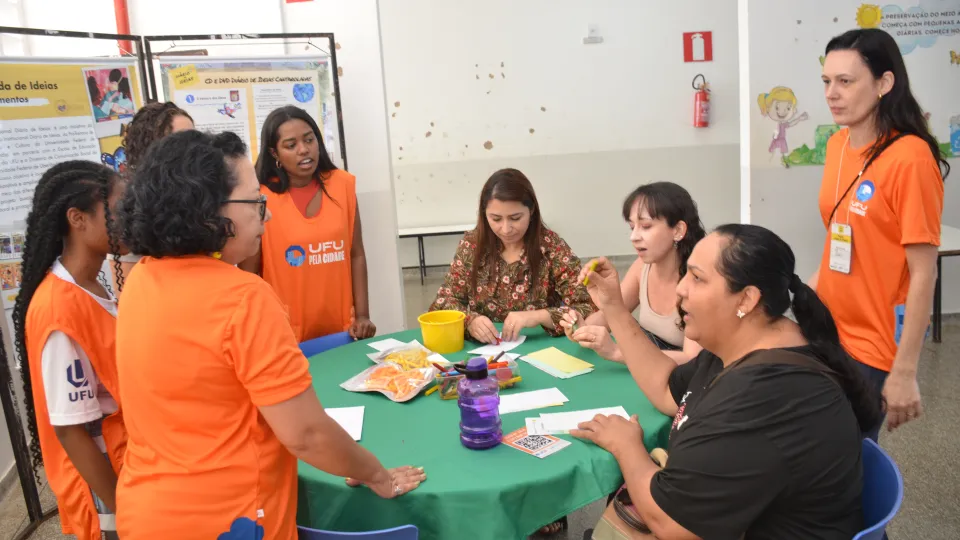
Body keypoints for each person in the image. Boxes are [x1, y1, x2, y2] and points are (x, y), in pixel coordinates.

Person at [112, 130, 424, 538]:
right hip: (230, 518)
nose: (268, 215)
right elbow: (307, 434)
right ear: (209, 213)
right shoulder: (242, 297)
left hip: (148, 513)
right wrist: (375, 474)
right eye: (255, 202)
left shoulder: (141, 279)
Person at [572, 224, 882, 539]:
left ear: (746, 299)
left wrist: (627, 447)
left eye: (697, 278)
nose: (680, 288)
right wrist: (613, 307)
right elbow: (667, 388)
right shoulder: (741, 345)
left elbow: (672, 523)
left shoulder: (769, 395)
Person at [814, 28, 948, 440]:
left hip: (872, 347)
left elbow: (924, 274)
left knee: (847, 458)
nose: (832, 93)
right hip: (829, 328)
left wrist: (905, 371)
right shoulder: (838, 144)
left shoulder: (910, 158)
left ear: (884, 83)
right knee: (818, 453)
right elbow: (841, 234)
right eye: (826, 81)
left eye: (846, 81)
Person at [13, 161, 127, 540]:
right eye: (118, 209)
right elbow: (70, 430)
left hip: (126, 464)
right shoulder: (59, 309)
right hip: (106, 488)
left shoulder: (94, 283)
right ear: (77, 219)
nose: (129, 218)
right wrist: (124, 510)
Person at [241, 105, 376, 342]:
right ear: (274, 153)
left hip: (343, 331)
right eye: (291, 145)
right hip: (284, 335)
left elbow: (356, 254)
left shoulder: (342, 185)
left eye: (309, 140)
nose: (304, 150)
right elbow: (249, 275)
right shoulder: (261, 198)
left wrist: (362, 316)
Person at [430, 168, 597, 345]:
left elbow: (589, 307)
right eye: (496, 219)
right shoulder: (473, 245)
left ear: (531, 210)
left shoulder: (551, 248)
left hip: (543, 349)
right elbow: (444, 302)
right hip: (485, 351)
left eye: (515, 218)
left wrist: (539, 316)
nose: (506, 229)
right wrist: (470, 320)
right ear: (484, 214)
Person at [560, 182, 705, 363]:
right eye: (632, 227)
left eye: (645, 226)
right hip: (651, 370)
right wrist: (582, 328)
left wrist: (618, 352)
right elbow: (612, 314)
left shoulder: (700, 282)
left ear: (678, 230)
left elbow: (692, 359)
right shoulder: (642, 266)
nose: (634, 237)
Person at [108, 101, 195, 295]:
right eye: (181, 142)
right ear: (152, 148)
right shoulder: (130, 207)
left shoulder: (201, 198)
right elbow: (130, 296)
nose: (196, 150)